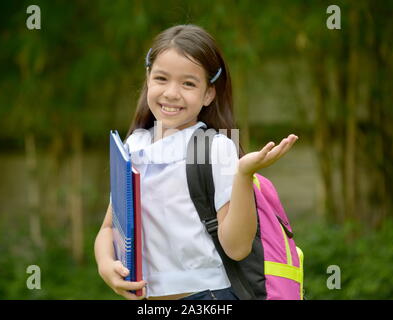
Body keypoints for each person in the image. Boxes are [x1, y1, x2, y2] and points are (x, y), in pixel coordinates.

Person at [94, 24, 298, 300]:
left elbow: (237, 248)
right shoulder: (134, 145)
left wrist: (243, 175)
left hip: (208, 297)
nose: (171, 93)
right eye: (161, 78)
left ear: (208, 94)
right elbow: (109, 227)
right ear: (148, 78)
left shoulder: (214, 147)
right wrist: (106, 265)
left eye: (188, 83)